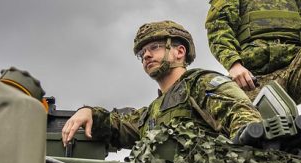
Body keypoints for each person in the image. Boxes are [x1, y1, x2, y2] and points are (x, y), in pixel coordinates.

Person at [61, 20, 262, 149]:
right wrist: (89, 112)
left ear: (179, 52)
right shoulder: (151, 113)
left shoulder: (201, 83)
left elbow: (243, 118)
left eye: (154, 47)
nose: (146, 55)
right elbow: (118, 126)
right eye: (142, 53)